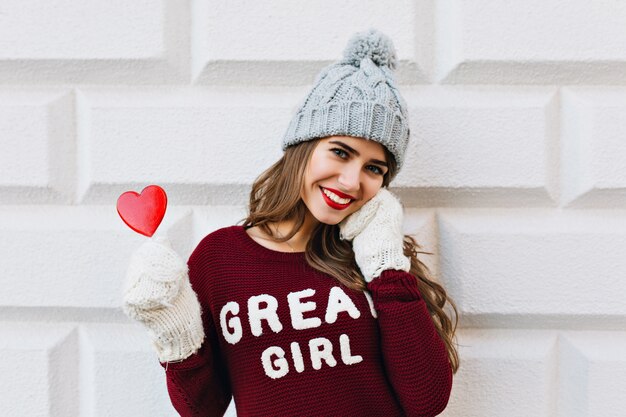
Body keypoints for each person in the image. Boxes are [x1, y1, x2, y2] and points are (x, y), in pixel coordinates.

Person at [122, 28, 460, 417]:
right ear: (303, 147)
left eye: (374, 168)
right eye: (339, 152)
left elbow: (426, 400)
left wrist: (385, 264)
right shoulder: (219, 259)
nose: (351, 181)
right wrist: (172, 327)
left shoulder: (377, 259)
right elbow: (203, 408)